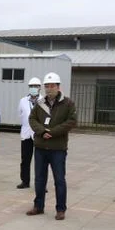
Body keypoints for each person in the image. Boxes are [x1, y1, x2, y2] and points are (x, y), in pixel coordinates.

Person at [26, 72, 76, 221]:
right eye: (46, 86)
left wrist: (52, 132)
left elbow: (71, 121)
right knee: (39, 179)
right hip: (41, 147)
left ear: (58, 86)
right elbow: (32, 119)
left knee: (59, 179)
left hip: (58, 149)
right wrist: (42, 131)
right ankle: (38, 206)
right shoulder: (40, 103)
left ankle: (61, 209)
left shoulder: (68, 103)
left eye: (51, 86)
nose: (48, 89)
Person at [16, 77, 42, 189]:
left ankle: (41, 183)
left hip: (39, 134)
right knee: (25, 159)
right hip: (26, 133)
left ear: (40, 88)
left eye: (36, 86)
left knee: (41, 161)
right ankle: (25, 181)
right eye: (31, 86)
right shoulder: (23, 100)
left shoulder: (44, 101)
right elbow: (20, 114)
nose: (33, 88)